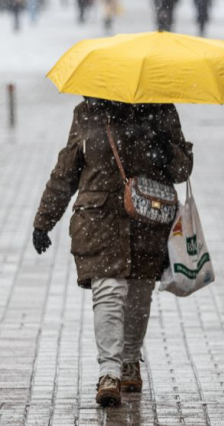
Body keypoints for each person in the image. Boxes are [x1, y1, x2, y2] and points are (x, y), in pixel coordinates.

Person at [32, 98, 194, 407]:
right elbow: (66, 171)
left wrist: (164, 147)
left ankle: (131, 359)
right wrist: (44, 221)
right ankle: (109, 372)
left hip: (147, 221)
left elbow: (182, 168)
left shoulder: (161, 110)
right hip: (99, 219)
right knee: (108, 291)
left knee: (139, 294)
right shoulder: (88, 112)